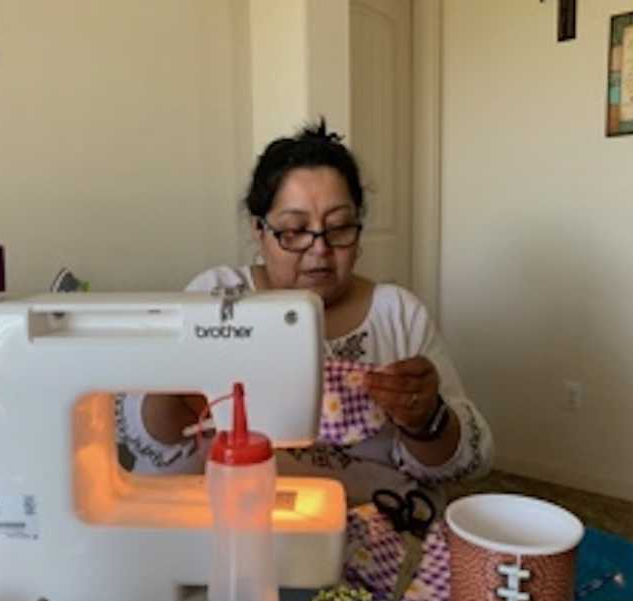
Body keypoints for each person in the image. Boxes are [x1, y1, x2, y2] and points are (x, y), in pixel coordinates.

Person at [117, 120, 493, 506]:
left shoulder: (396, 315)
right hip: (235, 516)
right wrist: (177, 388)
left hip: (372, 524)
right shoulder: (216, 298)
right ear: (258, 230)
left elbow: (468, 462)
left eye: (339, 227)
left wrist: (426, 419)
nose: (319, 250)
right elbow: (145, 440)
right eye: (294, 230)